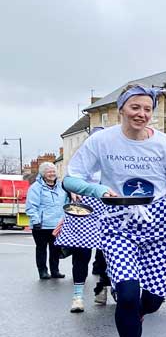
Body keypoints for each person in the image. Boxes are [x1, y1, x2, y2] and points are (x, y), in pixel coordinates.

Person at [65, 84, 166, 337]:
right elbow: (71, 178)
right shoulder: (103, 141)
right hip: (118, 225)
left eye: (147, 109)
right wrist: (97, 190)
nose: (141, 114)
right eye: (135, 107)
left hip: (157, 226)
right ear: (121, 109)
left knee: (153, 300)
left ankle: (137, 313)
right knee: (129, 295)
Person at [55, 128, 112, 312]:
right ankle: (78, 296)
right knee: (82, 254)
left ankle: (102, 287)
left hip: (106, 207)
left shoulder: (111, 159)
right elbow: (69, 179)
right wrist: (71, 189)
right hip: (83, 208)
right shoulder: (81, 158)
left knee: (107, 254)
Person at [26, 161, 66, 280]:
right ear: (43, 174)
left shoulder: (61, 187)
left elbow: (66, 203)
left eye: (53, 171)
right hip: (41, 225)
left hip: (57, 224)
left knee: (55, 249)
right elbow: (31, 206)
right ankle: (43, 271)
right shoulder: (36, 187)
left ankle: (55, 271)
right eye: (49, 172)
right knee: (41, 249)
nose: (52, 174)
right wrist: (35, 220)